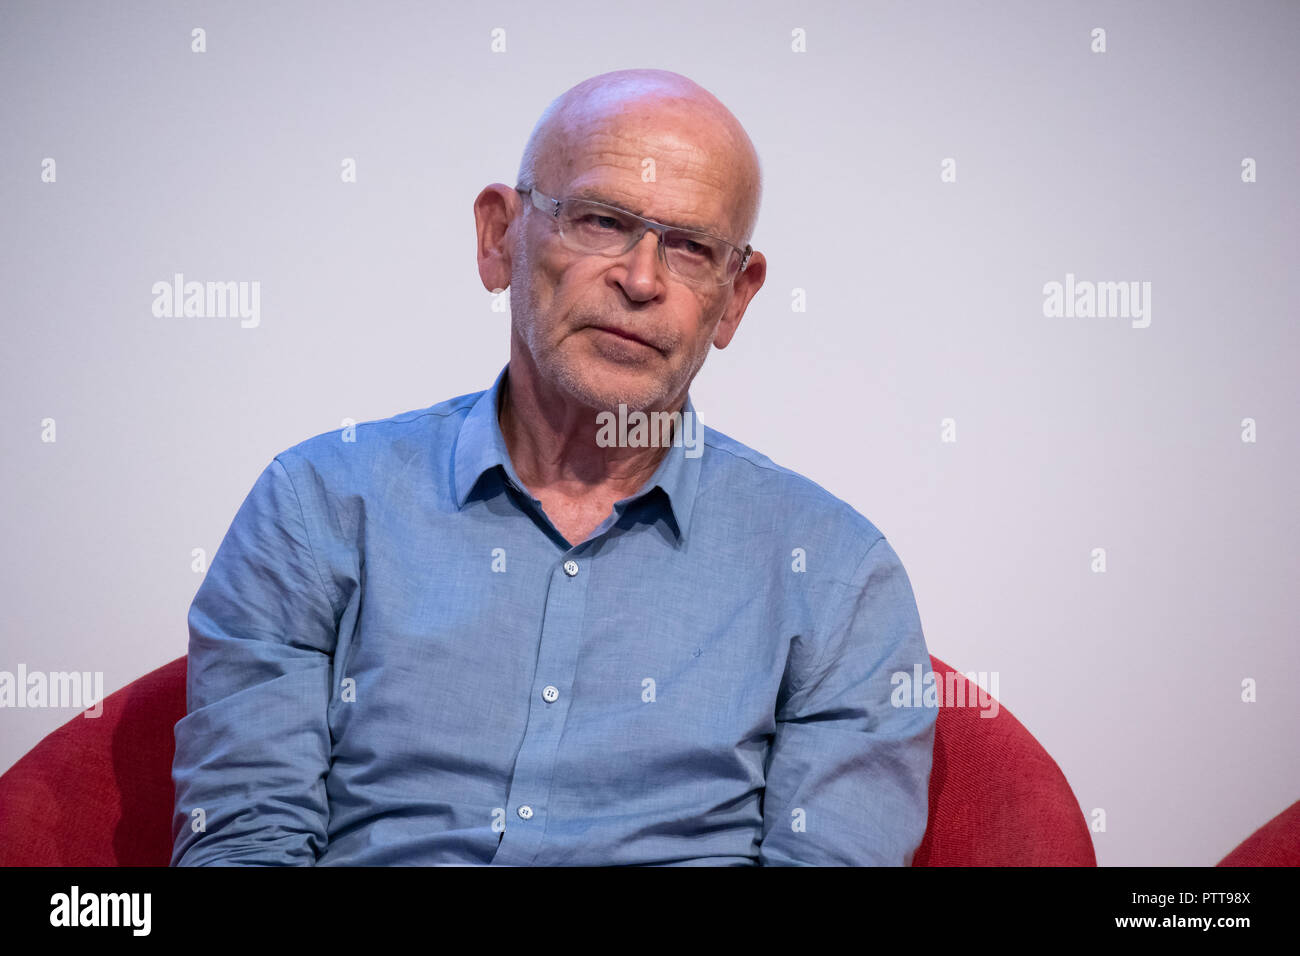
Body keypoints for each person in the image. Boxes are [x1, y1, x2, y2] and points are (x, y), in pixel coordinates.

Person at [171, 68, 937, 866]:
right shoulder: (318, 506)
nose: (641, 280)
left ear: (735, 298)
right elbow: (242, 843)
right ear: (498, 236)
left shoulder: (838, 575)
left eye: (689, 247)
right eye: (601, 220)